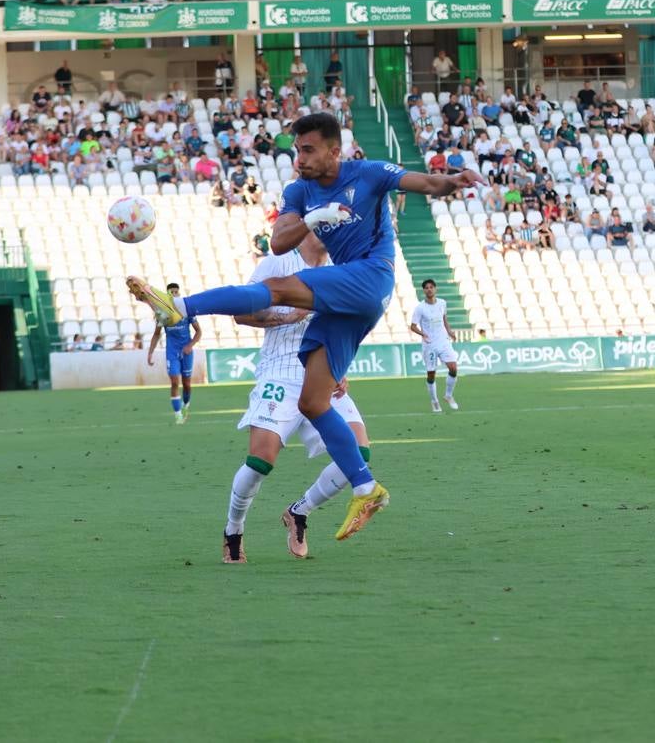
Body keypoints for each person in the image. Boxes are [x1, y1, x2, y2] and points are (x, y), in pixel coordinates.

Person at [126, 112, 482, 542]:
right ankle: (366, 489)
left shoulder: (368, 173)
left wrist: (455, 180)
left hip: (371, 276)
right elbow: (279, 241)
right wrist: (314, 218)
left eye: (309, 150)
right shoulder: (299, 190)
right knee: (315, 401)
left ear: (336, 150)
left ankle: (180, 307)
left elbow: (426, 184)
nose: (300, 159)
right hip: (348, 301)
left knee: (275, 288)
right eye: (297, 150)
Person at [223, 232, 372, 563]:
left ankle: (299, 512)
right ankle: (233, 530)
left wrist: (339, 365)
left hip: (320, 374)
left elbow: (339, 326)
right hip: (279, 373)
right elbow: (240, 312)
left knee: (359, 452)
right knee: (261, 460)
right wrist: (284, 317)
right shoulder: (277, 263)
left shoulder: (338, 269)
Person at [147, 284, 202, 424]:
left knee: (187, 383)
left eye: (176, 292)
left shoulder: (187, 311)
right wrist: (150, 352)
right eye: (171, 292)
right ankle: (178, 415)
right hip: (172, 351)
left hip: (187, 351)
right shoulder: (162, 313)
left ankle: (186, 405)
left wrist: (190, 345)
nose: (174, 294)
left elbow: (199, 332)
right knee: (174, 382)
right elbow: (156, 334)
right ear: (168, 294)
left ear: (179, 293)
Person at [408, 279, 460, 412]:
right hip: (429, 344)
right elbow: (413, 326)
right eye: (426, 288)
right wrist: (423, 334)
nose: (429, 289)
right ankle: (434, 401)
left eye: (431, 287)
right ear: (424, 291)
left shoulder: (442, 303)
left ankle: (448, 396)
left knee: (453, 368)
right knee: (431, 374)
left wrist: (449, 331)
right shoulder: (420, 308)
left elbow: (444, 319)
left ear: (435, 289)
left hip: (443, 341)